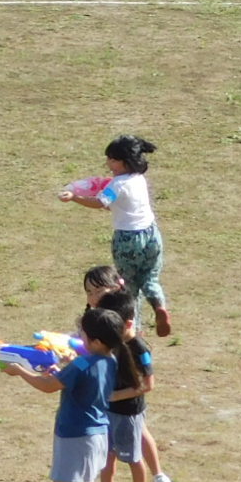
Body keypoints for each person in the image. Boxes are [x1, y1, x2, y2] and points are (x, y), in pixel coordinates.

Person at [0, 304, 126, 482]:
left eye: (84, 334)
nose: (80, 337)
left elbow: (48, 386)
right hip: (97, 434)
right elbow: (73, 378)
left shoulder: (80, 364)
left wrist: (20, 371)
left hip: (76, 436)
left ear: (97, 340)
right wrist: (58, 368)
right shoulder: (110, 360)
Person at [65, 135, 172, 337]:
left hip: (127, 240)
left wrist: (74, 198)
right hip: (151, 234)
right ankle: (159, 306)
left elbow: (100, 202)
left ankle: (134, 329)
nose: (109, 164)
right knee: (150, 278)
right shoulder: (139, 180)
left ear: (125, 161)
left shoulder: (117, 184)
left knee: (130, 286)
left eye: (113, 159)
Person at [85, 284, 171, 482]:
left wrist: (115, 396)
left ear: (128, 323)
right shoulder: (113, 342)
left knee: (133, 458)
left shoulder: (139, 349)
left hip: (129, 413)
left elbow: (147, 385)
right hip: (109, 411)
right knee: (107, 454)